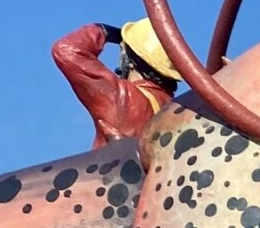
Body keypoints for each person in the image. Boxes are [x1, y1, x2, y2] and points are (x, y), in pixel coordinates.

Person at [50, 17, 180, 148]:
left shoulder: (122, 98)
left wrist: (103, 31)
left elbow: (65, 49)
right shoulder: (175, 111)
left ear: (130, 60)